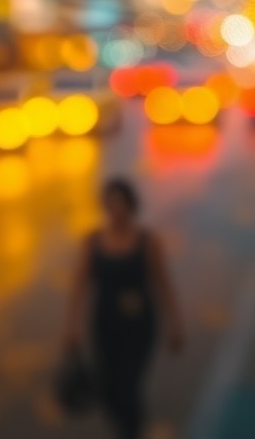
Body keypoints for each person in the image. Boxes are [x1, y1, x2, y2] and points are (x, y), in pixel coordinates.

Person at [65, 178, 184, 439]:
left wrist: (175, 323)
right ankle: (127, 428)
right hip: (106, 324)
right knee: (107, 388)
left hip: (139, 324)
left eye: (120, 204)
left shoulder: (147, 241)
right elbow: (79, 287)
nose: (115, 210)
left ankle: (131, 432)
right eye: (110, 204)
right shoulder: (93, 241)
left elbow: (163, 284)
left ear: (131, 206)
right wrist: (71, 327)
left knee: (129, 385)